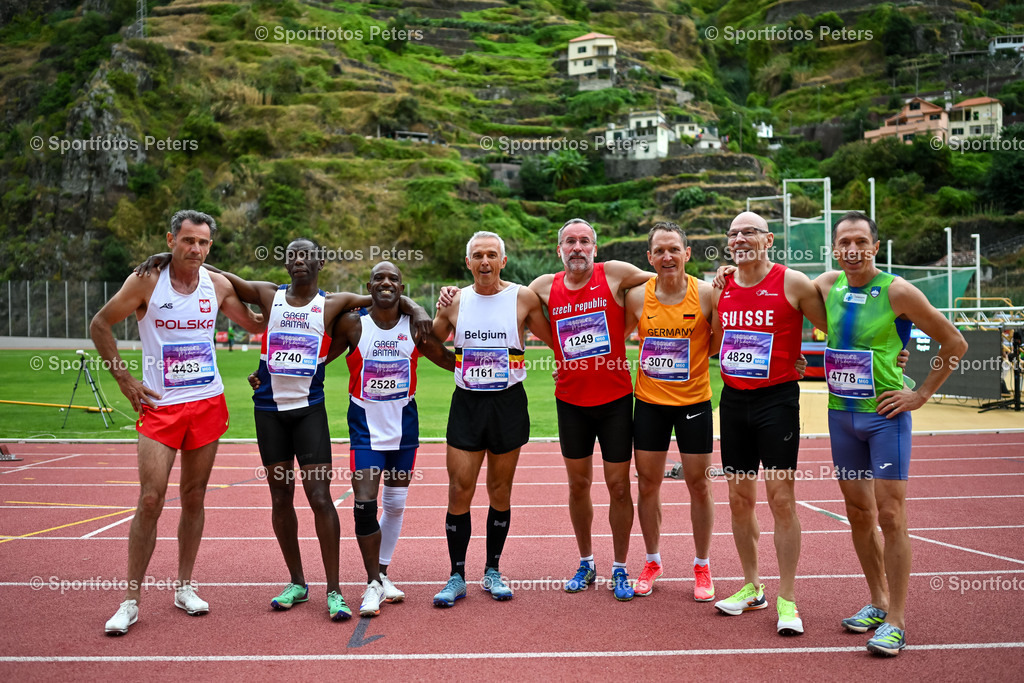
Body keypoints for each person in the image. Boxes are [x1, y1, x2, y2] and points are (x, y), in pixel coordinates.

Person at [202, 239, 431, 622]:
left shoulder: (333, 303)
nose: (298, 261)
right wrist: (169, 259)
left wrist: (419, 306)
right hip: (269, 411)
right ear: (286, 262)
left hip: (309, 411)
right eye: (291, 254)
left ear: (320, 262)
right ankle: (297, 582)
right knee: (280, 497)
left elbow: (384, 296)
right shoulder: (267, 295)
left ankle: (335, 591)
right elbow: (220, 275)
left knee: (320, 498)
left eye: (306, 255)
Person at [90, 210, 265, 636]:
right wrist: (124, 377)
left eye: (203, 243)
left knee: (194, 496)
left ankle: (184, 586)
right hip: (161, 406)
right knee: (150, 499)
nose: (196, 249)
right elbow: (100, 324)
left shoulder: (217, 284)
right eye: (188, 241)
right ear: (171, 239)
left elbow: (256, 325)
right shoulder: (146, 281)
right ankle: (130, 600)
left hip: (206, 403)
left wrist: (310, 305)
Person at [816, 211, 966, 656]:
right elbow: (777, 286)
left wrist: (920, 394)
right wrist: (728, 272)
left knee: (890, 516)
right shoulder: (827, 285)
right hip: (841, 415)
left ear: (875, 246)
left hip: (885, 416)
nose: (853, 249)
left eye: (861, 241)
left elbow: (954, 341)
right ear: (835, 248)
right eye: (844, 242)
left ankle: (897, 621)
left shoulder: (897, 290)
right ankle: (877, 602)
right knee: (858, 514)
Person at [710, 211, 828, 636]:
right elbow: (710, 339)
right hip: (733, 401)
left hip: (776, 401)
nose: (740, 239)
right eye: (734, 234)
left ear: (768, 239)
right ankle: (752, 586)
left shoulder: (792, 282)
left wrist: (893, 354)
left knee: (781, 499)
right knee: (739, 499)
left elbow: (834, 328)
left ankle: (788, 598)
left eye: (749, 233)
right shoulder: (720, 286)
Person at [527, 219, 653, 601]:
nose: (577, 247)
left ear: (595, 249)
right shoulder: (543, 287)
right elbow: (504, 297)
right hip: (571, 402)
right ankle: (586, 561)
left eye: (584, 241)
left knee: (618, 487)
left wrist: (628, 324)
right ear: (559, 250)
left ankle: (619, 567)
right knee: (578, 485)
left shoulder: (614, 273)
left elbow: (666, 275)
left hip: (614, 400)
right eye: (570, 242)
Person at [430, 231, 553, 607]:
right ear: (467, 263)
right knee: (459, 490)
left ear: (503, 261)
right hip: (467, 404)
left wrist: (567, 367)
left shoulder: (522, 297)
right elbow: (428, 343)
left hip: (507, 404)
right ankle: (456, 575)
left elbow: (555, 339)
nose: (485, 262)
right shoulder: (455, 302)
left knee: (500, 491)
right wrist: (454, 362)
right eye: (478, 256)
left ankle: (493, 570)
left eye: (492, 255)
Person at [328, 261, 455, 617]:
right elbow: (318, 358)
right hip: (365, 429)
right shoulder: (353, 324)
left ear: (402, 286)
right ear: (368, 285)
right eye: (379, 278)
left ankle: (382, 575)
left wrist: (496, 365)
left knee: (396, 504)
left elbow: (446, 359)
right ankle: (371, 583)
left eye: (393, 279)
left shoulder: (415, 327)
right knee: (365, 504)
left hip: (404, 429)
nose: (386, 283)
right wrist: (267, 372)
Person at [623, 222, 720, 601]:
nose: (667, 257)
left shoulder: (708, 294)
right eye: (659, 251)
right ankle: (652, 561)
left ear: (687, 253)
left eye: (673, 250)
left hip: (694, 402)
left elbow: (717, 345)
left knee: (699, 485)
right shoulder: (636, 298)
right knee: (647, 484)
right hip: (649, 403)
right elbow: (610, 336)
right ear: (649, 257)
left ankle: (702, 565)